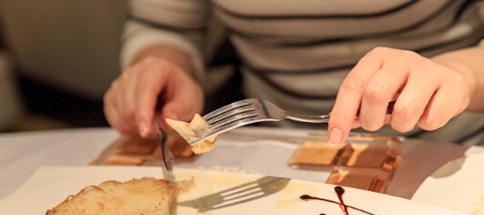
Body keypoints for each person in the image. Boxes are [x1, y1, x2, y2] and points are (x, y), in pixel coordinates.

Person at [104, 0, 484, 145]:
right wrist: (163, 66)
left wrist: (460, 75)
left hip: (451, 148)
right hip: (277, 152)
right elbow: (167, 26)